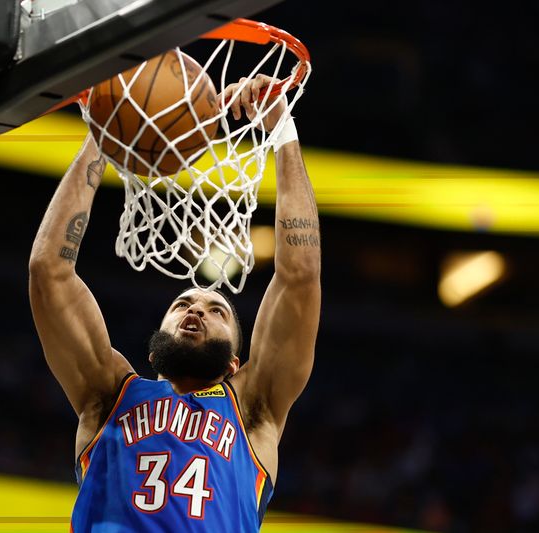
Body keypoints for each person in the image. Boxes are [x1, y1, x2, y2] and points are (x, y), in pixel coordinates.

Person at [29, 74, 321, 532]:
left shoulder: (252, 408)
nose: (196, 310)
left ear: (234, 365)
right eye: (182, 304)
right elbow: (49, 272)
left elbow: (300, 276)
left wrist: (281, 129)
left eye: (217, 311)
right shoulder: (109, 396)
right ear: (152, 347)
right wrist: (104, 134)